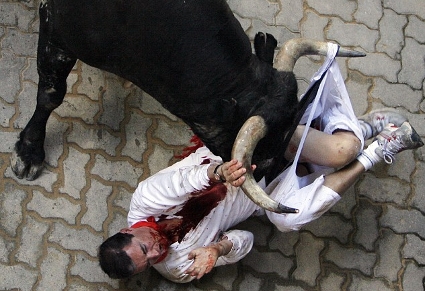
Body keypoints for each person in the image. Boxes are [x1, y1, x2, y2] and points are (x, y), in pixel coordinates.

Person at [98, 106, 423, 283]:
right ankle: (381, 149)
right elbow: (246, 240)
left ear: (128, 230)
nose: (156, 252)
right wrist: (217, 248)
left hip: (238, 153)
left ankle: (366, 127)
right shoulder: (177, 268)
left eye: (145, 247)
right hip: (262, 192)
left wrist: (220, 172)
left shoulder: (145, 199)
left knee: (343, 151)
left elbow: (185, 182)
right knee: (288, 220)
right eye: (149, 262)